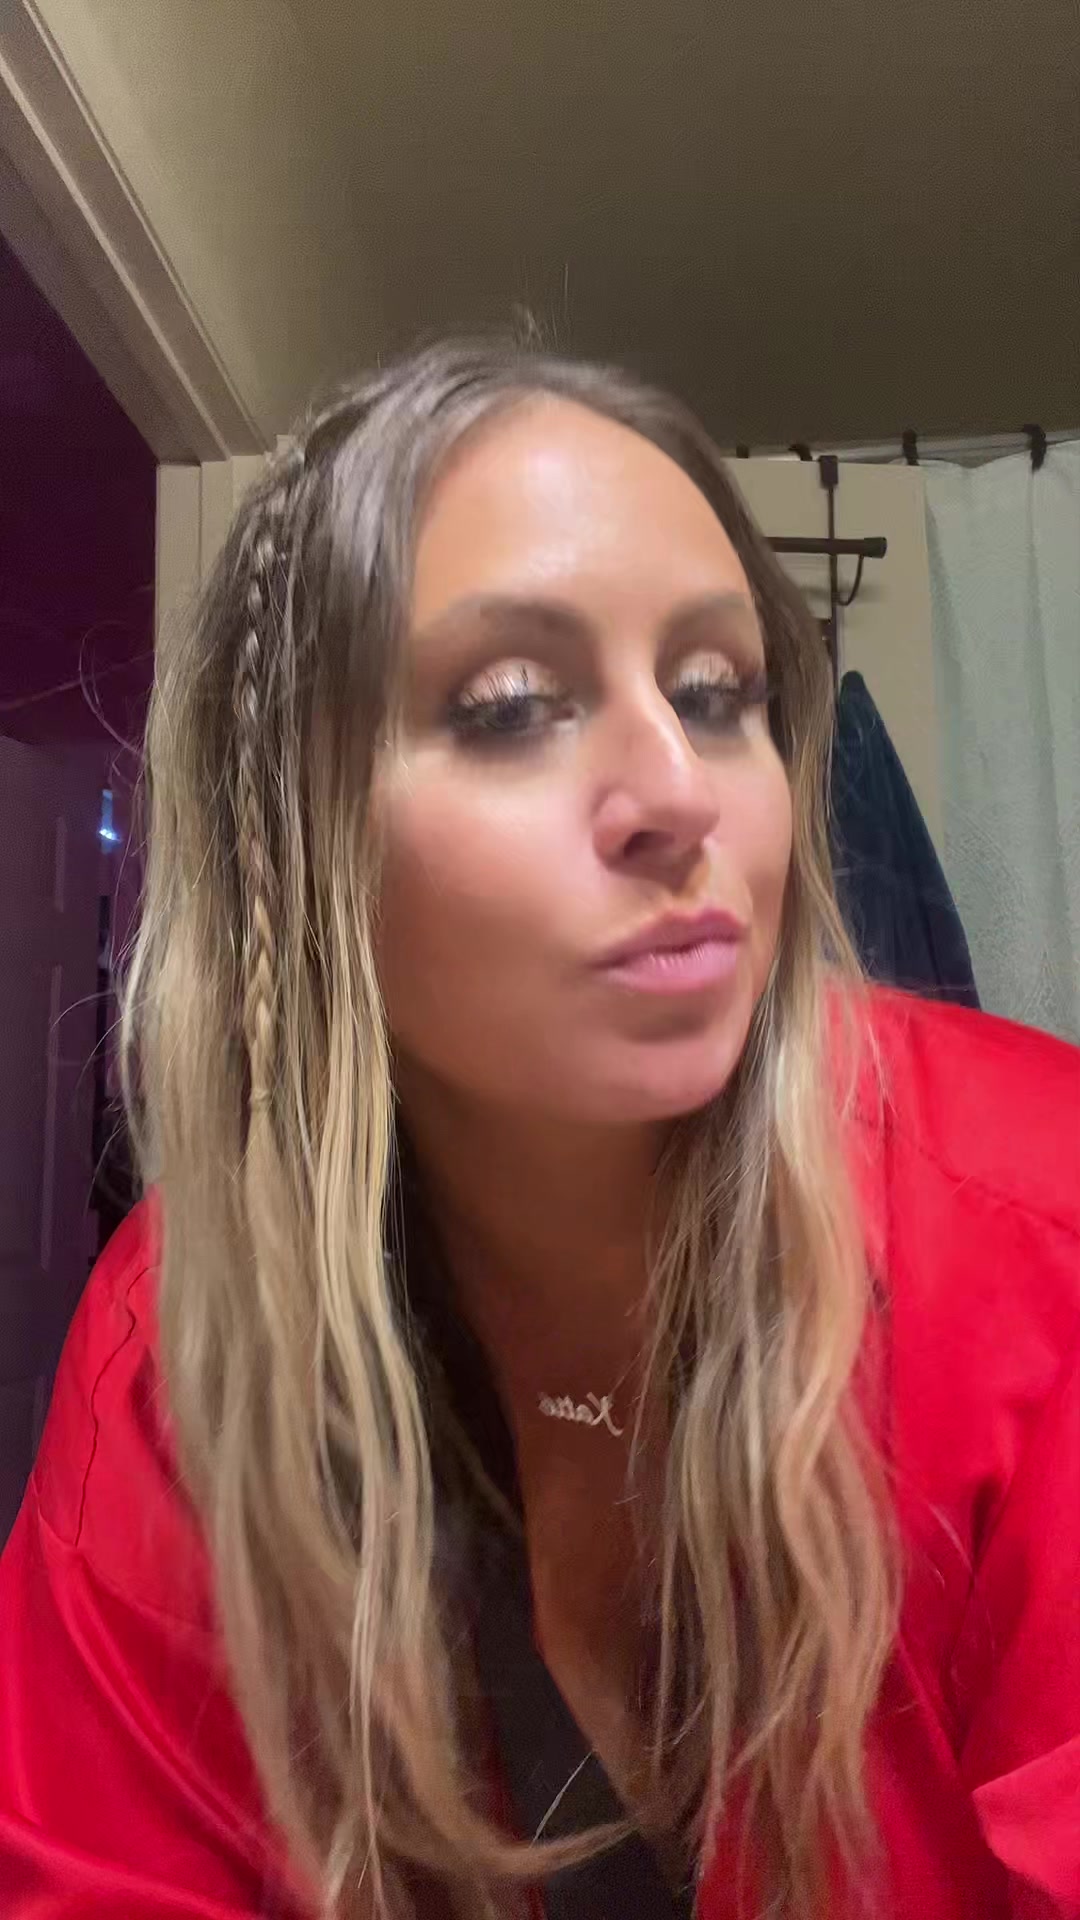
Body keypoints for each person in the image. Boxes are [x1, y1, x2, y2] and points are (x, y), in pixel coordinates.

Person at [0, 341, 1076, 1920]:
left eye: (718, 694)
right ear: (294, 837)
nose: (681, 790)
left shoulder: (1042, 1220)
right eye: (511, 708)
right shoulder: (183, 1339)